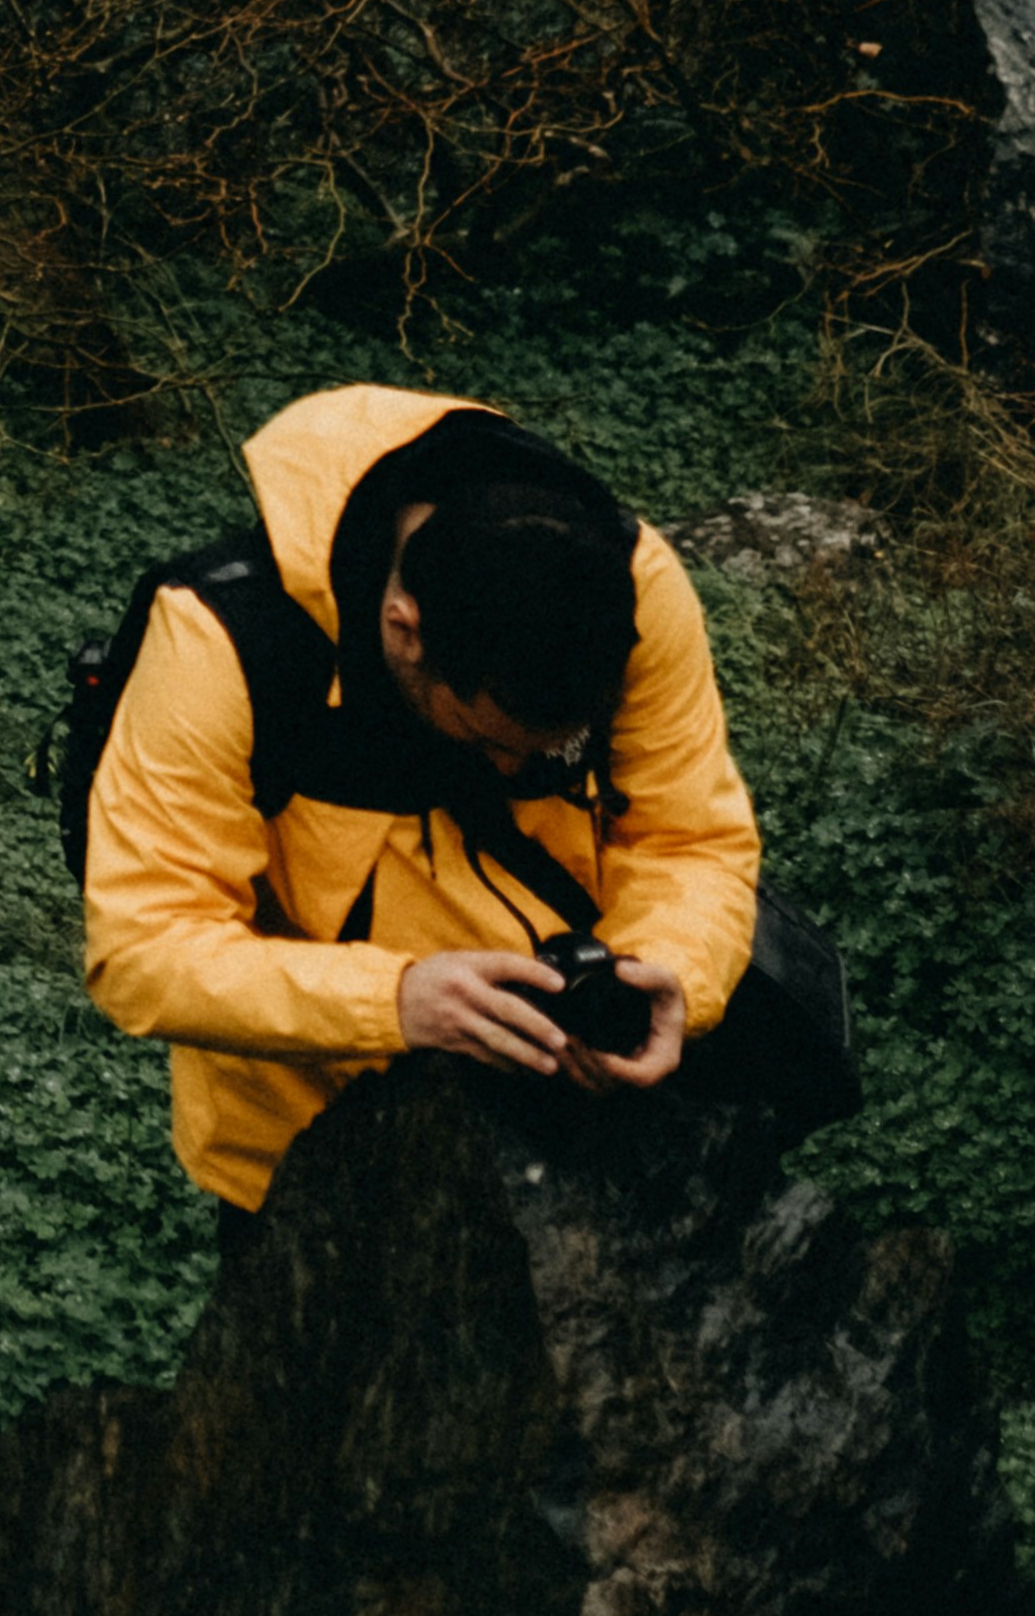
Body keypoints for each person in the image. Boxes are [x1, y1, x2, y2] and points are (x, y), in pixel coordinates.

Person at [78, 383, 764, 1235]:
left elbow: (691, 839)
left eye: (553, 752)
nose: (522, 770)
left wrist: (669, 973)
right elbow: (143, 949)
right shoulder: (221, 641)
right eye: (490, 743)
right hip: (315, 1154)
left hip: (570, 1109)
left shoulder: (627, 584)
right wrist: (396, 1002)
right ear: (404, 629)